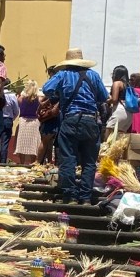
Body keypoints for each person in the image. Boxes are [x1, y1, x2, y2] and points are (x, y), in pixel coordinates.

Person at [42, 48, 109, 205]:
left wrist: (59, 94)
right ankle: (85, 197)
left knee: (68, 158)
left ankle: (70, 196)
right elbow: (104, 97)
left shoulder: (63, 74)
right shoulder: (93, 75)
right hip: (91, 120)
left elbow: (46, 89)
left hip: (70, 119)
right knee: (89, 161)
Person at [14, 80, 42, 165]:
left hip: (23, 121)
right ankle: (32, 162)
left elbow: (18, 105)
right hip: (34, 121)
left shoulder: (21, 98)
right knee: (33, 143)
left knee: (22, 143)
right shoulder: (40, 99)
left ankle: (22, 163)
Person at [106, 65, 131, 138]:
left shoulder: (117, 83)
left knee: (108, 135)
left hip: (119, 110)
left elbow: (114, 100)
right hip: (129, 114)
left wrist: (106, 100)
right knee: (118, 138)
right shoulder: (128, 85)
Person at [0, 86, 19, 163]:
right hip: (8, 119)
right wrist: (12, 118)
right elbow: (16, 110)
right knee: (5, 143)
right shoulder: (11, 95)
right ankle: (3, 162)